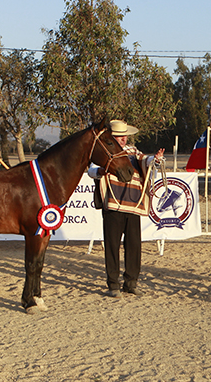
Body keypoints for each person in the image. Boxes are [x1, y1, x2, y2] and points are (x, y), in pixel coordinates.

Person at [88, 120, 164, 297]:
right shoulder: (106, 151)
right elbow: (92, 169)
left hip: (132, 204)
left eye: (125, 136)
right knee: (112, 245)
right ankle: (113, 284)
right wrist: (99, 172)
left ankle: (131, 282)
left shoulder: (133, 152)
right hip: (113, 205)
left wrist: (155, 160)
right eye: (120, 136)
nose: (124, 139)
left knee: (134, 245)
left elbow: (146, 162)